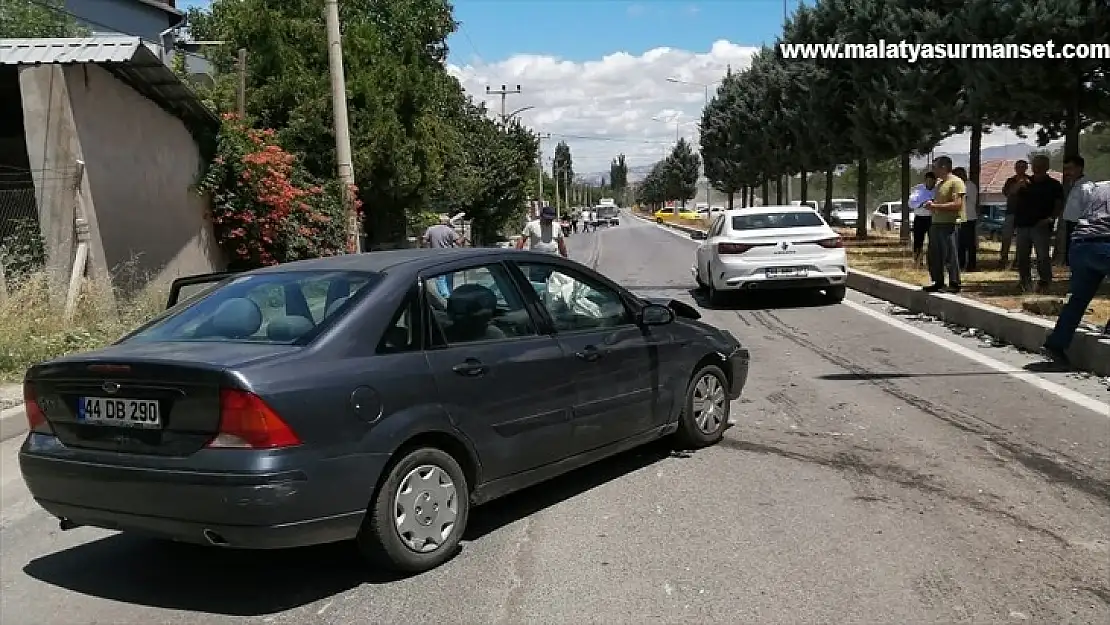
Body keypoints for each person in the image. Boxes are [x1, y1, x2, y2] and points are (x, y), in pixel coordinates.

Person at [1042, 181, 1110, 364]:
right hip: (1103, 242)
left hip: (1080, 244)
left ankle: (1056, 344)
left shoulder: (1099, 187)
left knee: (1078, 299)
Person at [1013, 154, 1064, 292]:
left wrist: (1051, 218)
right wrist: (1018, 187)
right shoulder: (1025, 182)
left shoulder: (1053, 185)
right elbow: (1010, 195)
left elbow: (1059, 204)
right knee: (1022, 256)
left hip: (1040, 225)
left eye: (1040, 166)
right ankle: (1025, 282)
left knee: (1042, 256)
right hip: (1023, 224)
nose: (1037, 168)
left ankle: (1045, 282)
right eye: (1035, 165)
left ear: (1046, 167)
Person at [923, 156, 965, 293]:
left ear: (943, 167)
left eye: (935, 167)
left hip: (949, 224)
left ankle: (954, 283)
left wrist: (936, 206)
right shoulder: (940, 184)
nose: (933, 170)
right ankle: (938, 281)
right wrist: (931, 206)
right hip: (936, 223)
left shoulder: (956, 182)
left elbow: (957, 204)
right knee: (934, 255)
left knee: (950, 255)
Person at [1061, 154, 1097, 265]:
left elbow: (1090, 209)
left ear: (1079, 168)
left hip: (1081, 227)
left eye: (1070, 169)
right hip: (1071, 225)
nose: (1067, 172)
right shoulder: (1074, 185)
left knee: (1081, 258)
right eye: (1065, 169)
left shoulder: (1086, 187)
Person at [1000, 160, 1030, 268]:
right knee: (1006, 237)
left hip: (1024, 213)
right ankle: (1003, 259)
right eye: (1018, 167)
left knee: (1021, 239)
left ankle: (1018, 260)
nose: (1020, 169)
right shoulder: (1010, 181)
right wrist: (1018, 185)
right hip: (1011, 212)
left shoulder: (1030, 180)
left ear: (1026, 168)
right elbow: (1008, 193)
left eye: (1022, 167)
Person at [953, 167, 979, 272]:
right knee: (960, 243)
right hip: (959, 218)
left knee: (970, 243)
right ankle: (960, 264)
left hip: (969, 218)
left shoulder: (970, 185)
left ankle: (971, 265)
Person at [909, 172, 937, 266]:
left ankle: (932, 261)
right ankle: (917, 261)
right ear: (925, 181)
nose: (930, 183)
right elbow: (911, 203)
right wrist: (922, 204)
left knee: (933, 241)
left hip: (932, 218)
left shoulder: (938, 190)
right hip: (920, 218)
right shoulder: (918, 189)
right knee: (918, 240)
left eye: (932, 181)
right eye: (928, 181)